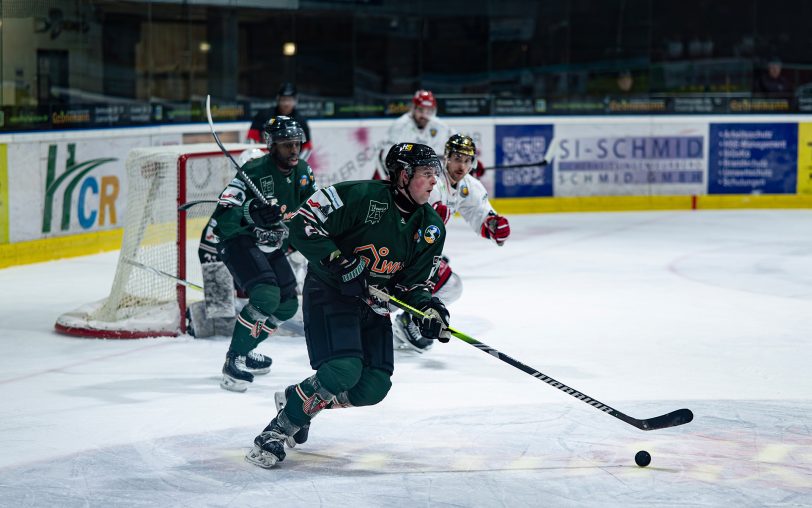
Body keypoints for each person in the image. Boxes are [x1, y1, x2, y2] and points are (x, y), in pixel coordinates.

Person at [245, 143, 449, 469]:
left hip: (374, 305)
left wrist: (428, 309)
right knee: (343, 370)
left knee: (373, 387)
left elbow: (414, 285)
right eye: (426, 173)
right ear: (403, 175)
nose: (434, 181)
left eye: (434, 174)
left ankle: (298, 400)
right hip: (331, 291)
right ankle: (276, 432)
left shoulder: (431, 227)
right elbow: (303, 222)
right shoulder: (360, 195)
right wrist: (338, 262)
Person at [207, 116, 318, 392]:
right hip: (237, 239)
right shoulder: (253, 171)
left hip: (270, 244)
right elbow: (222, 217)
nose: (294, 150)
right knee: (267, 295)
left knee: (287, 305)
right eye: (287, 145)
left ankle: (245, 349)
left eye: (297, 144)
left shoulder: (304, 171)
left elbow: (312, 210)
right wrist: (250, 212)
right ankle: (234, 360)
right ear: (272, 145)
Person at [393, 134, 511, 353]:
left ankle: (410, 319)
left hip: (421, 251)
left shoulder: (469, 186)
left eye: (467, 160)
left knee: (451, 285)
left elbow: (479, 213)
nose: (462, 166)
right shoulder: (432, 180)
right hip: (399, 248)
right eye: (457, 158)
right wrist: (429, 216)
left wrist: (493, 225)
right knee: (390, 296)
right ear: (446, 157)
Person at [375, 90, 451, 179]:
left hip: (432, 176)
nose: (424, 115)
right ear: (413, 108)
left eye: (429, 111)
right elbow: (387, 157)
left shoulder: (441, 126)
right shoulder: (400, 126)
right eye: (421, 110)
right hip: (406, 177)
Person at [247, 82, 313, 159]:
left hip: (289, 161)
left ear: (295, 100)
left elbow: (307, 147)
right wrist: (257, 158)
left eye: (289, 100)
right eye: (283, 99)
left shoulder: (300, 121)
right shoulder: (264, 115)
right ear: (278, 99)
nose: (286, 103)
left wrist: (297, 162)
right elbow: (251, 139)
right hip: (263, 159)